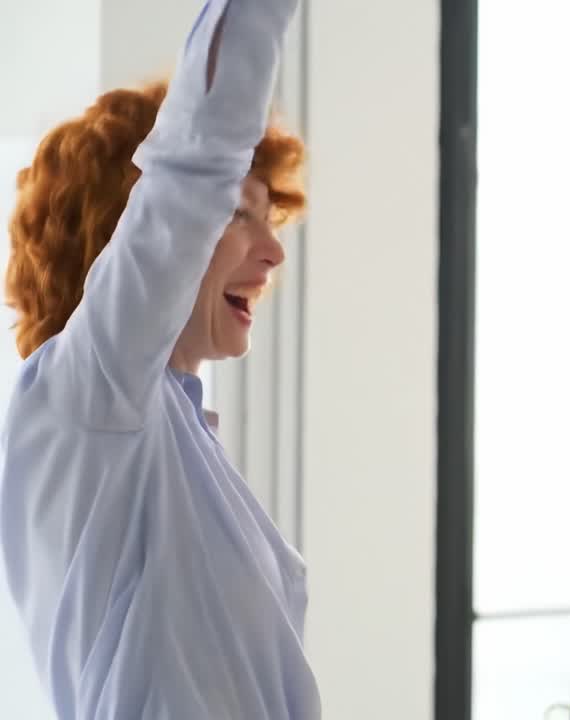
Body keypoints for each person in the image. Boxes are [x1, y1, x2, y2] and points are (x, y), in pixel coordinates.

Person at [0, 0, 321, 717]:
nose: (272, 253)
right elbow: (194, 163)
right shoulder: (84, 400)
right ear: (133, 234)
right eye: (240, 214)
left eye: (271, 221)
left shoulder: (170, 433)